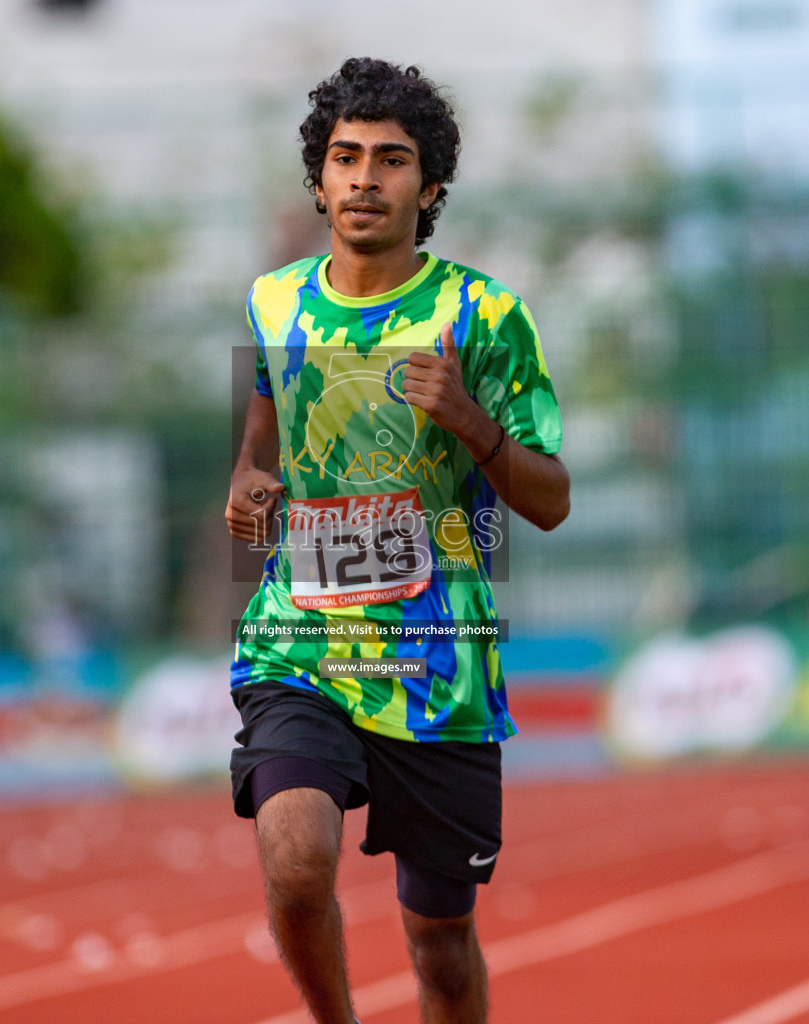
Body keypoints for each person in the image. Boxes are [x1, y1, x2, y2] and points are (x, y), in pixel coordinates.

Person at [224, 58, 569, 1024]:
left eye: (391, 160)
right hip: (302, 640)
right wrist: (249, 486)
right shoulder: (273, 304)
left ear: (431, 185)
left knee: (442, 948)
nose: (366, 178)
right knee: (295, 863)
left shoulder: (484, 315)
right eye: (346, 158)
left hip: (437, 664)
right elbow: (261, 445)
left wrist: (471, 420)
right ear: (319, 179)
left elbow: (550, 502)